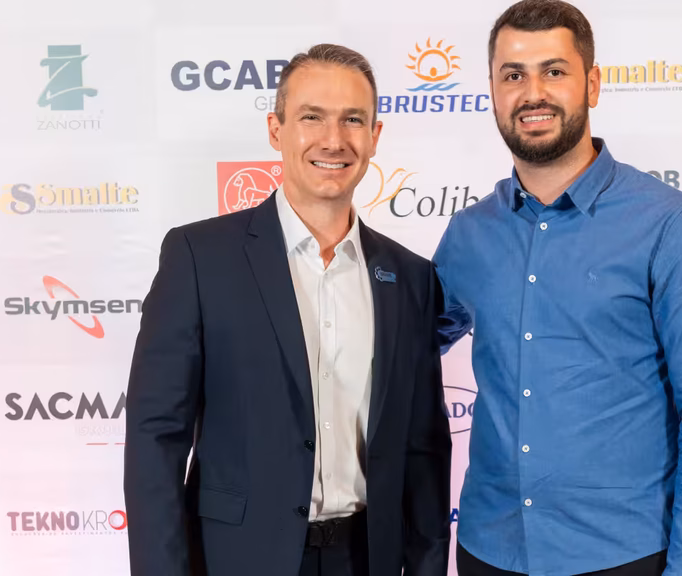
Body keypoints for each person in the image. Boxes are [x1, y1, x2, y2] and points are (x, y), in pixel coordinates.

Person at [433, 2, 682, 575]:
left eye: (554, 71)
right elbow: (401, 345)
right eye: (513, 75)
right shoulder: (469, 235)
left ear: (592, 84)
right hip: (488, 548)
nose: (533, 93)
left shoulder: (673, 228)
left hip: (622, 555)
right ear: (493, 91)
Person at [124, 44, 451, 576]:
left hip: (366, 559)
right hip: (237, 560)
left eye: (352, 120)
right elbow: (156, 438)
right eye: (311, 117)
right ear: (276, 130)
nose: (333, 139)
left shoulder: (409, 277)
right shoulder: (199, 258)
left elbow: (424, 449)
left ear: (375, 136)